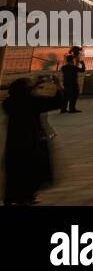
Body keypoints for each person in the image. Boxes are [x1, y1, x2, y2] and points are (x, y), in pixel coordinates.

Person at [3, 76, 62, 205]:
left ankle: (13, 197)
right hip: (30, 141)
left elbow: (22, 95)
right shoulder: (32, 102)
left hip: (14, 142)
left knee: (14, 170)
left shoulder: (8, 102)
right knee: (31, 168)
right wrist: (58, 85)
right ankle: (25, 196)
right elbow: (57, 102)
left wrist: (35, 84)